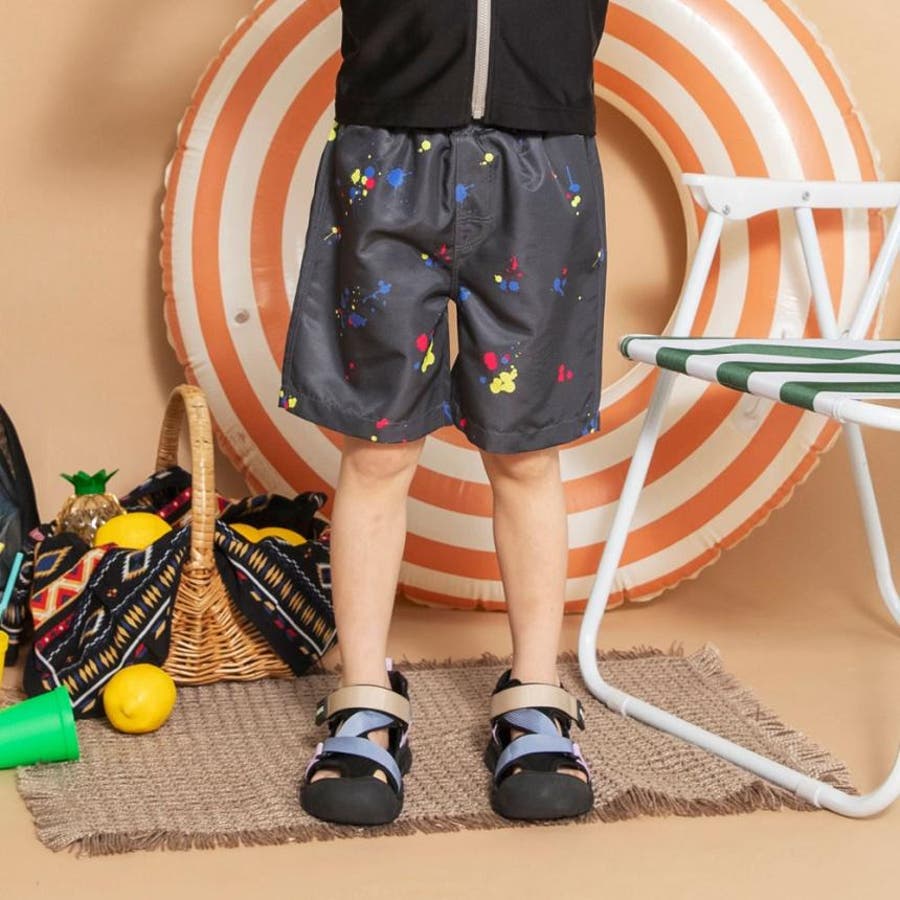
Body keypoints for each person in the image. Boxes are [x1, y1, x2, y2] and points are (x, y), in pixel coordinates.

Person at [280, 0, 609, 826]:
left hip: (542, 156)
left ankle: (535, 691)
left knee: (527, 452)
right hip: (387, 148)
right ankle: (364, 694)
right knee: (376, 450)